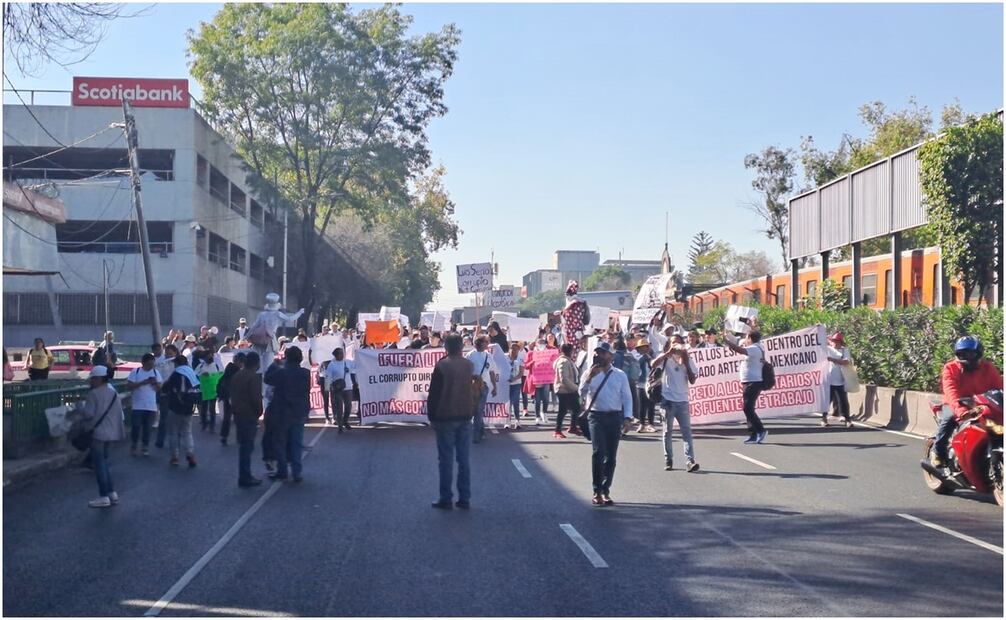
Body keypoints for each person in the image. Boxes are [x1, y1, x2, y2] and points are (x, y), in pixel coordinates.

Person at [932, 336, 1004, 467]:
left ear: (979, 353)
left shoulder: (988, 368)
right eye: (963, 353)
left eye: (971, 353)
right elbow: (950, 390)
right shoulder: (950, 368)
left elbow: (1000, 387)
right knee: (948, 420)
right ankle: (938, 452)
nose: (967, 357)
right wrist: (960, 410)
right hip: (957, 403)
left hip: (982, 403)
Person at [579, 342, 634, 507]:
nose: (599, 355)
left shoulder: (620, 375)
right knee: (598, 452)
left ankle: (605, 489)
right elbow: (580, 393)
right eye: (597, 353)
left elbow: (627, 397)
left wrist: (627, 418)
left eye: (603, 353)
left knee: (611, 456)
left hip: (614, 417)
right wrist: (589, 378)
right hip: (596, 417)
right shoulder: (589, 373)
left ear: (610, 356)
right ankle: (597, 490)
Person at [426, 334, 475, 509]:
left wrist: (431, 417)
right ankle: (465, 497)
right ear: (462, 347)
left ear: (446, 347)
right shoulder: (469, 365)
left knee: (446, 459)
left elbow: (434, 394)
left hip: (445, 416)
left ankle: (445, 497)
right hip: (465, 415)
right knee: (464, 459)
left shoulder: (442, 365)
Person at [651, 337, 700, 472]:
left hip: (682, 401)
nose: (677, 346)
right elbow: (653, 364)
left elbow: (692, 380)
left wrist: (686, 360)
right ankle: (669, 459)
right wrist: (667, 353)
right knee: (668, 432)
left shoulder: (688, 360)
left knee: (686, 432)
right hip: (668, 401)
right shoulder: (666, 359)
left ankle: (690, 461)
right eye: (674, 343)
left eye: (679, 343)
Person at [80, 366, 126, 508]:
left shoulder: (94, 394)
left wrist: (78, 408)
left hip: (98, 433)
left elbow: (89, 414)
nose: (91, 381)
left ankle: (104, 495)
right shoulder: (113, 393)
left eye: (93, 379)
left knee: (99, 465)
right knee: (104, 463)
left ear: (98, 379)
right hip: (112, 432)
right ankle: (112, 493)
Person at [264, 346, 311, 482]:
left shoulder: (282, 373)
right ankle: (297, 472)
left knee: (280, 443)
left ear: (286, 358)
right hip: (299, 411)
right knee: (296, 443)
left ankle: (282, 470)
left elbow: (267, 379)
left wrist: (274, 365)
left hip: (282, 412)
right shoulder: (305, 373)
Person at [724, 330, 768, 444]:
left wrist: (728, 342)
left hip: (753, 382)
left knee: (747, 408)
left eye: (746, 337)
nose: (745, 340)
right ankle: (754, 434)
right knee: (749, 408)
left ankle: (761, 430)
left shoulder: (754, 348)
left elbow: (740, 350)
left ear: (750, 338)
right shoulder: (757, 347)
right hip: (748, 381)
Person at [230, 351, 264, 487]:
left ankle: (245, 475)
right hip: (249, 414)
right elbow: (256, 398)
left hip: (238, 413)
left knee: (243, 446)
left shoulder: (237, 375)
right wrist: (259, 412)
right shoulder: (253, 377)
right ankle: (245, 476)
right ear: (256, 364)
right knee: (247, 447)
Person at [162, 354, 199, 467]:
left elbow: (165, 388)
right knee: (187, 432)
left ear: (177, 363)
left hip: (175, 407)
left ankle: (175, 457)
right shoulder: (191, 372)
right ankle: (190, 454)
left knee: (173, 432)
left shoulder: (176, 373)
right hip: (189, 407)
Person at [126, 353, 162, 457]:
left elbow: (159, 389)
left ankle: (145, 446)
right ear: (143, 363)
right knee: (136, 427)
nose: (151, 366)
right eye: (149, 364)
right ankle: (134, 445)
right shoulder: (136, 372)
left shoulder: (156, 373)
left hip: (151, 406)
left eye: (152, 364)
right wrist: (143, 382)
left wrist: (154, 383)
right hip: (138, 405)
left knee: (147, 428)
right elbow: (129, 386)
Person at [465, 336, 499, 443]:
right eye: (485, 342)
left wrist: (494, 386)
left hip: (484, 386)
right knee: (473, 410)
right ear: (480, 343)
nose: (487, 344)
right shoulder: (470, 355)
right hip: (472, 386)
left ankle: (476, 435)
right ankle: (481, 430)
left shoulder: (488, 356)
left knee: (479, 410)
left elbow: (492, 372)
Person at [824, 332, 853, 428]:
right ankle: (823, 419)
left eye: (838, 341)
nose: (836, 343)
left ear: (841, 342)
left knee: (843, 401)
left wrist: (832, 360)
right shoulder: (827, 349)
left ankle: (847, 419)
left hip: (841, 381)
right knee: (826, 402)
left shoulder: (845, 351)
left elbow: (846, 361)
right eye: (834, 341)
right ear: (831, 341)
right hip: (829, 381)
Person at [217, 351, 246, 445]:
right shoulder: (235, 371)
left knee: (227, 418)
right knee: (238, 418)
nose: (242, 364)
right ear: (238, 362)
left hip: (227, 397)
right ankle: (239, 438)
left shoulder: (229, 369)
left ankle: (224, 437)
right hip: (233, 397)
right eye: (242, 362)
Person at [553, 343, 581, 438]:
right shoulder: (563, 362)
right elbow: (564, 379)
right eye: (572, 351)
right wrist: (575, 388)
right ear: (569, 351)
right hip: (564, 390)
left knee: (576, 409)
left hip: (570, 389)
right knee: (562, 410)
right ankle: (557, 431)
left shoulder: (568, 361)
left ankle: (573, 427)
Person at [325, 347, 356, 432]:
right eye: (340, 353)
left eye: (342, 353)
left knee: (348, 407)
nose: (342, 355)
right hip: (337, 389)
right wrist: (327, 389)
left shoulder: (347, 362)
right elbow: (327, 377)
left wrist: (359, 354)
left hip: (348, 388)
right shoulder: (332, 365)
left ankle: (345, 421)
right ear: (336, 355)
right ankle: (340, 426)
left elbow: (357, 365)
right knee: (339, 408)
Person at [154, 343, 178, 449]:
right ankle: (160, 440)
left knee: (176, 418)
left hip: (176, 393)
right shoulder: (161, 362)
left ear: (175, 353)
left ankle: (177, 439)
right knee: (163, 417)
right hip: (164, 392)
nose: (168, 355)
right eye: (167, 353)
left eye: (170, 353)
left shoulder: (179, 363)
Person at [194, 349, 223, 432]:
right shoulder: (201, 366)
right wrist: (201, 374)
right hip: (203, 391)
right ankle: (204, 424)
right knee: (204, 408)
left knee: (212, 409)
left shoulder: (217, 366)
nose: (209, 357)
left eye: (210, 356)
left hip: (213, 391)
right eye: (207, 356)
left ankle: (212, 426)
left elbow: (221, 375)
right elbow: (194, 375)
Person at [635, 337, 657, 432]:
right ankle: (642, 424)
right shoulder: (638, 358)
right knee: (642, 405)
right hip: (641, 384)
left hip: (651, 383)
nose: (643, 349)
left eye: (645, 347)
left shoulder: (653, 356)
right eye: (641, 347)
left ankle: (651, 424)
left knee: (651, 404)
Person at [506, 342, 525, 430]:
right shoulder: (504, 358)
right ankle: (507, 421)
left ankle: (517, 420)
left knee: (515, 402)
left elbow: (521, 373)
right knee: (507, 403)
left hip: (516, 383)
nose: (514, 350)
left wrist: (514, 378)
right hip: (506, 384)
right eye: (512, 348)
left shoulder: (520, 359)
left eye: (516, 349)